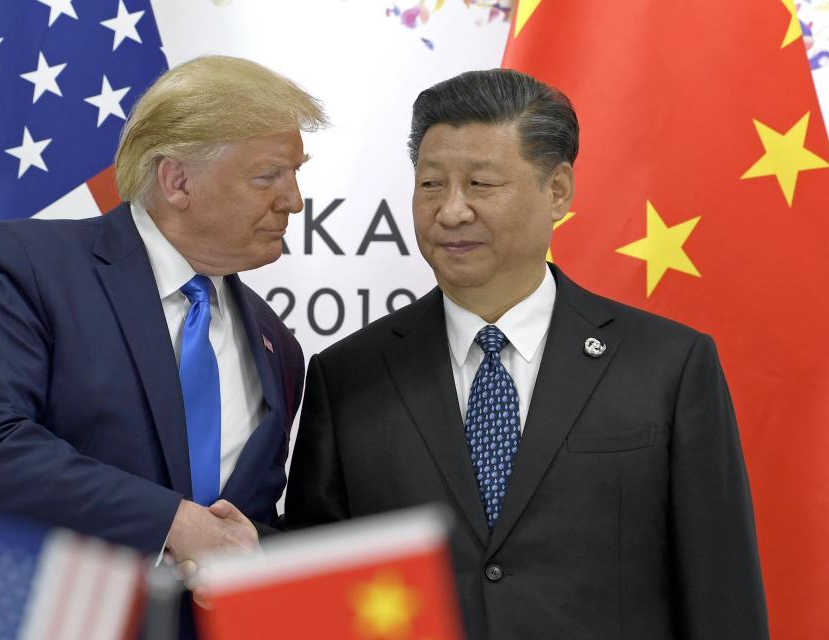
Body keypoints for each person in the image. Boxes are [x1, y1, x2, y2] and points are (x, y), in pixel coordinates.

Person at [285, 68, 768, 639]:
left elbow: (722, 593)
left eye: (481, 185)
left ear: (557, 191)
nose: (451, 212)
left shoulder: (668, 365)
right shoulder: (348, 377)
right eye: (431, 184)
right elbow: (317, 593)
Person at [0, 55, 326, 638]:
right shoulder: (25, 265)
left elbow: (238, 528)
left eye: (295, 174)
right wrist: (174, 522)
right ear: (177, 180)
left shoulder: (278, 347)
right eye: (268, 175)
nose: (294, 201)